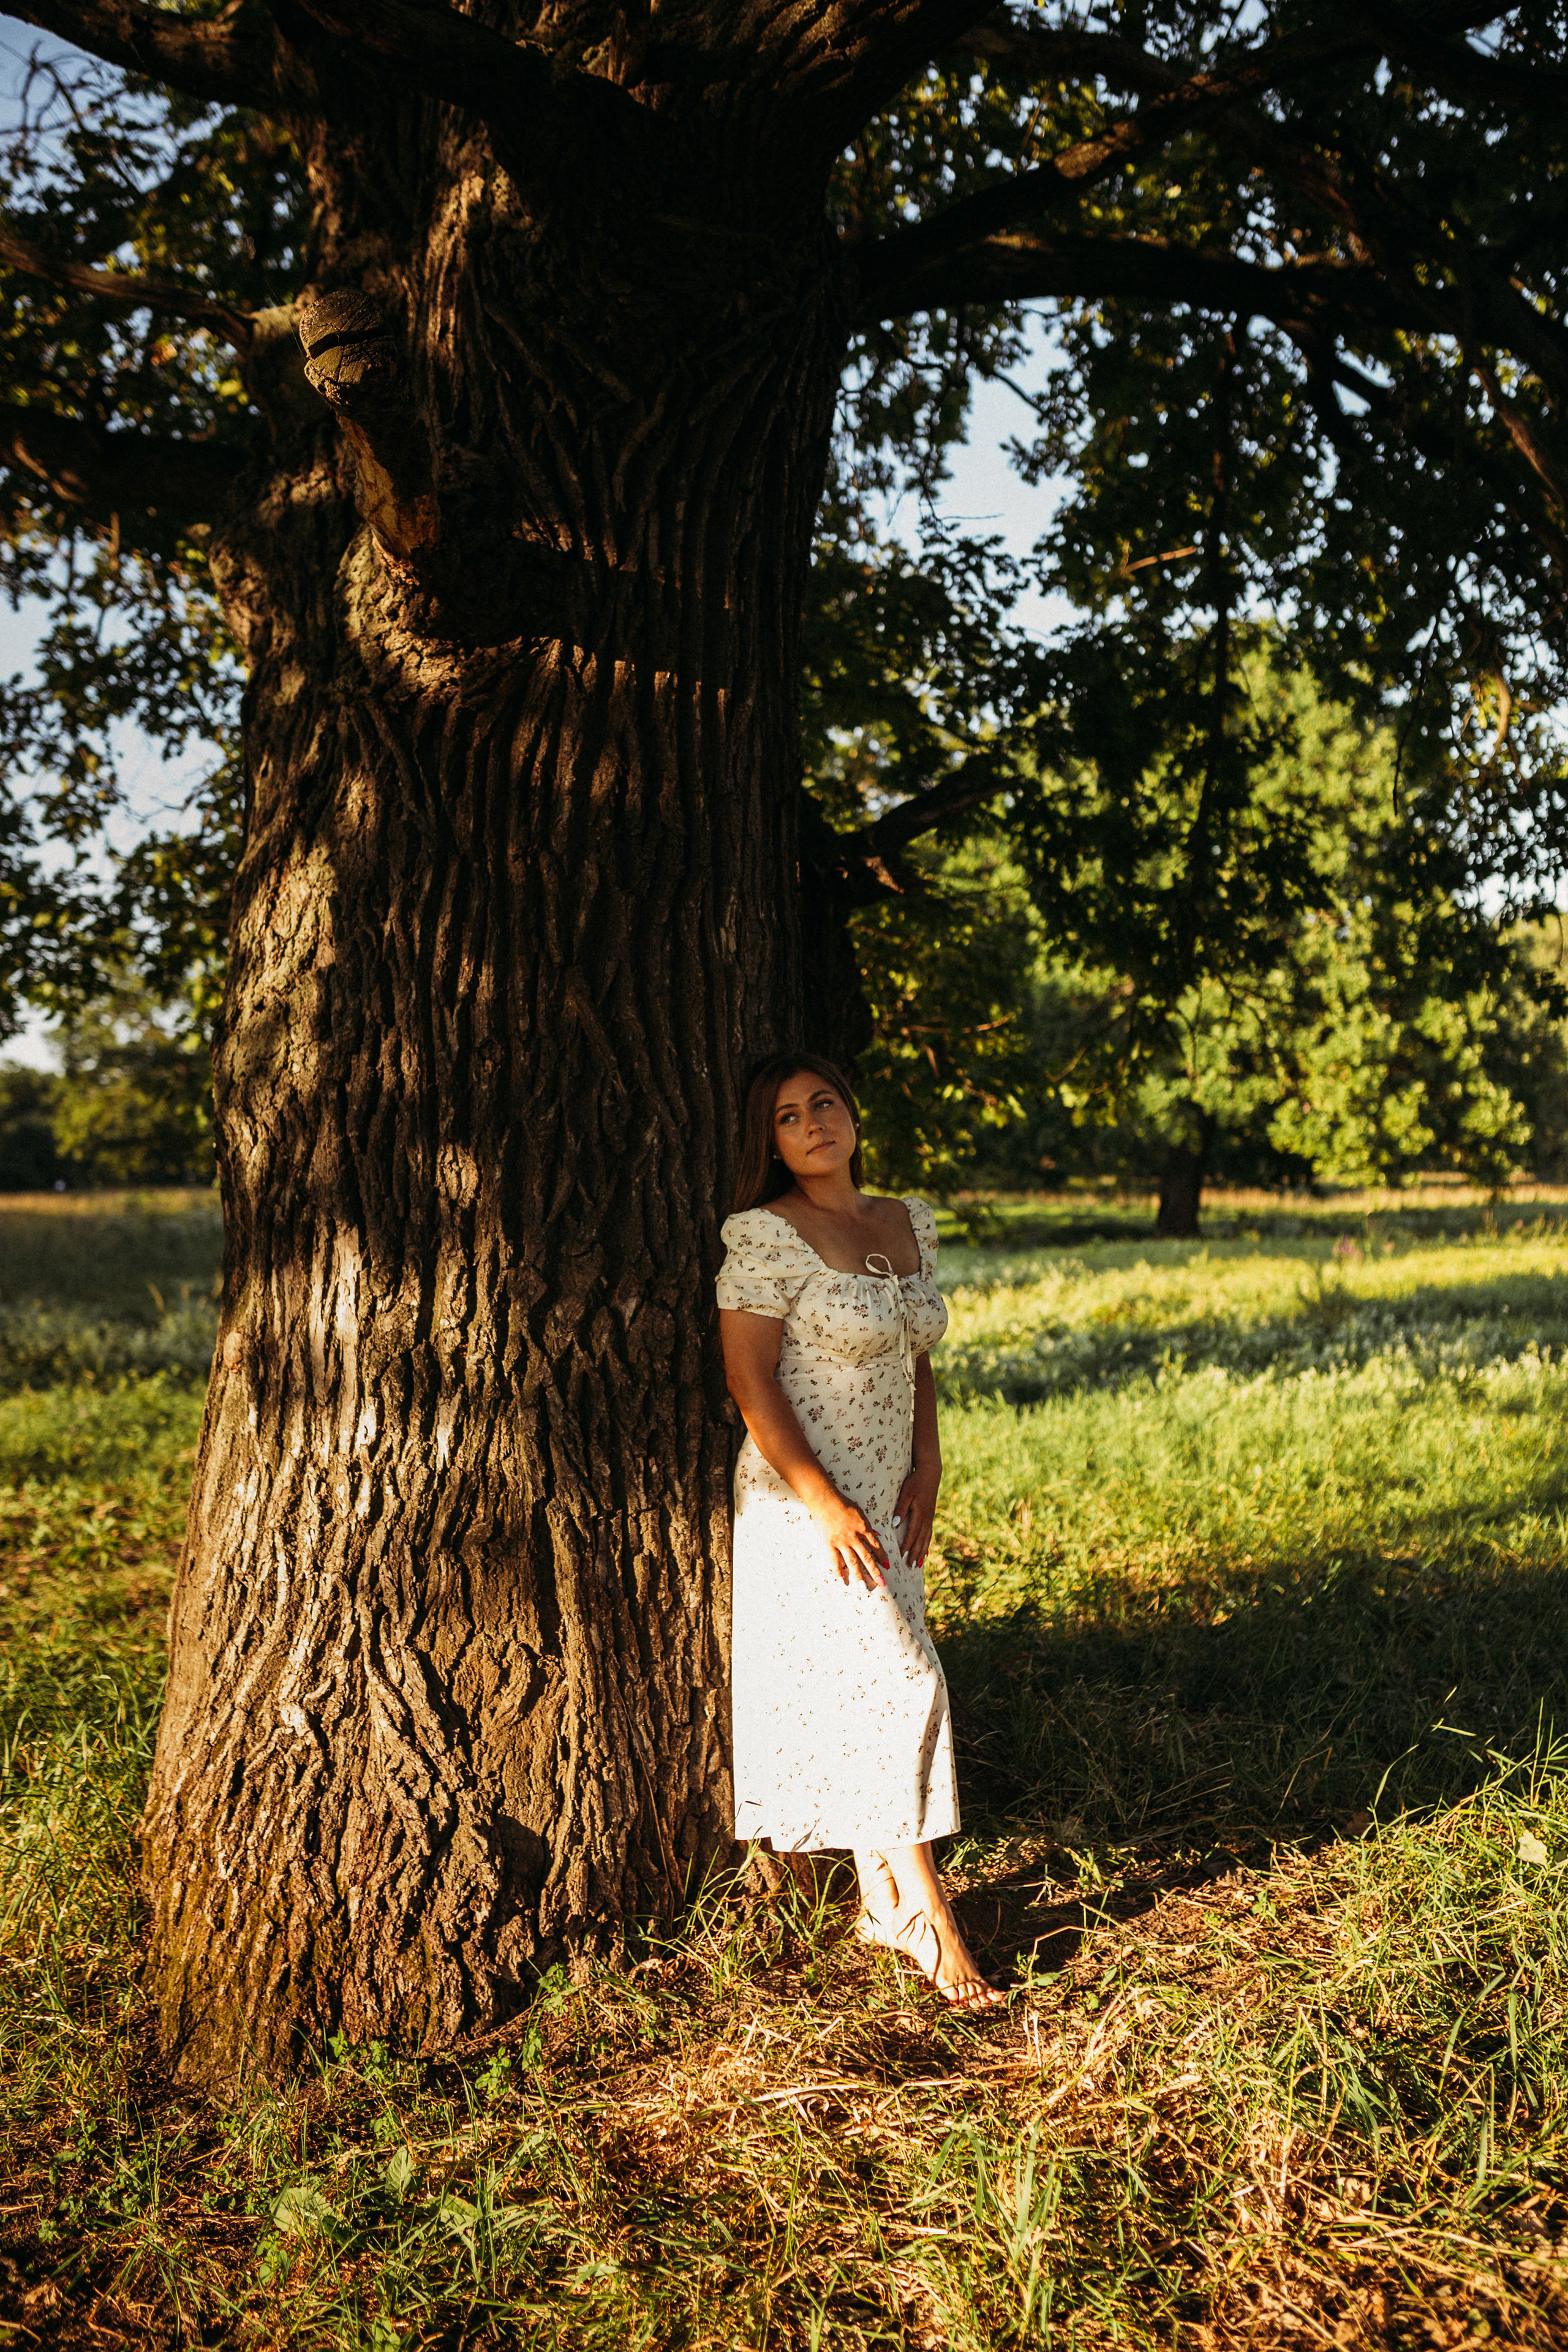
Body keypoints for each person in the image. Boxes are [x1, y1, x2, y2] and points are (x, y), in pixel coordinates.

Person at [716, 1051, 1001, 2008]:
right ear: (771, 1143)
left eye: (824, 1104)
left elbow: (914, 1356)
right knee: (901, 1683)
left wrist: (930, 1463)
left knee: (865, 1691)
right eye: (789, 1117)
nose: (813, 1125)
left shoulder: (903, 1221)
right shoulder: (766, 1234)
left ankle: (882, 1900)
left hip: (891, 1490)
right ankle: (932, 1919)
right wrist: (824, 1502)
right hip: (805, 1501)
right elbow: (750, 1380)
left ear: (851, 1115)